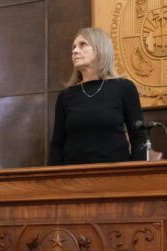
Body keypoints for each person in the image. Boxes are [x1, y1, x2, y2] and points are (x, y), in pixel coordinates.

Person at [49, 27, 147, 165]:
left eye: (83, 45)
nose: (75, 51)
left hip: (114, 174)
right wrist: (52, 180)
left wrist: (134, 174)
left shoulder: (124, 87)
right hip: (72, 176)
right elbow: (57, 144)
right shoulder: (65, 96)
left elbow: (139, 137)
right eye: (74, 47)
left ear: (100, 49)